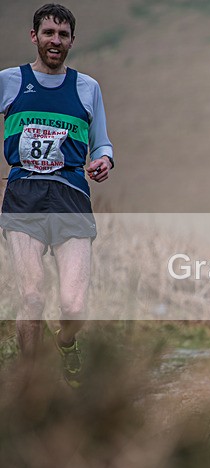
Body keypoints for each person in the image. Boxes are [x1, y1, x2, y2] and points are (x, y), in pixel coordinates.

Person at [0, 4, 114, 387]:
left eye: (63, 35)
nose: (55, 41)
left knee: (74, 306)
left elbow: (102, 144)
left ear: (71, 41)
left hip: (71, 197)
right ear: (34, 36)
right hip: (23, 196)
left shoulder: (87, 87)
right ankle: (31, 385)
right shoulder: (10, 81)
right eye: (48, 33)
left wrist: (103, 161)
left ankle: (66, 343)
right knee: (32, 298)